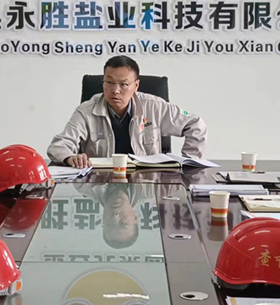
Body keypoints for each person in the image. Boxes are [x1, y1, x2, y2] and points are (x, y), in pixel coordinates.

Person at [48, 56, 208, 168]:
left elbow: (196, 124)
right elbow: (58, 146)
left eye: (123, 84)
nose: (115, 90)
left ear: (136, 86)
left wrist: (189, 164)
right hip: (100, 184)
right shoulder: (86, 111)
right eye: (109, 82)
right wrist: (70, 158)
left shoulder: (154, 106)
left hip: (148, 185)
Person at [75, 183, 154, 249]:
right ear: (135, 218)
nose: (115, 216)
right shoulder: (153, 189)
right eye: (124, 223)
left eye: (110, 224)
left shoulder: (83, 185)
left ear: (103, 219)